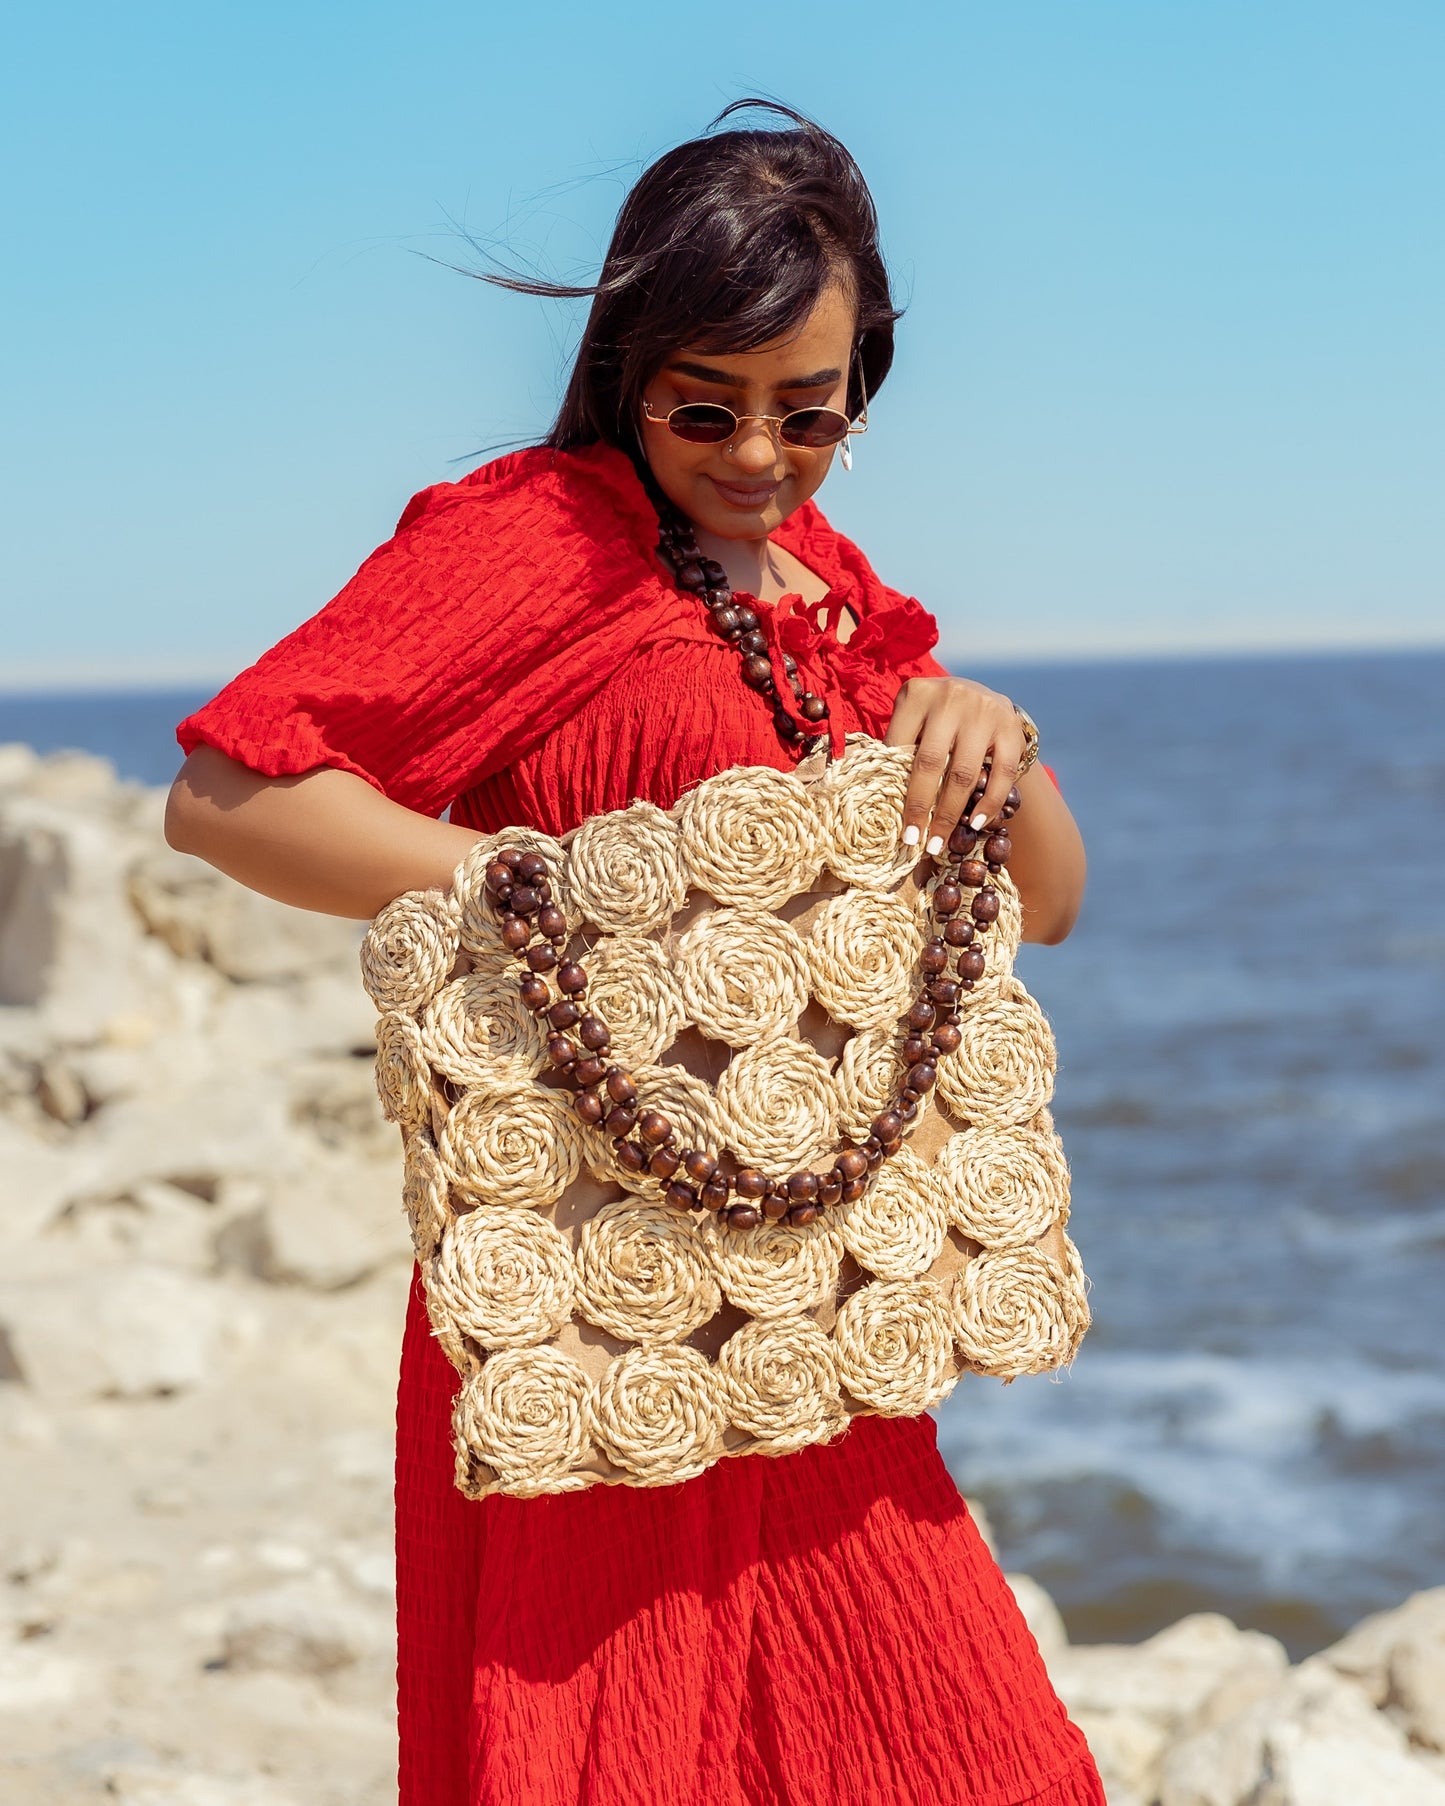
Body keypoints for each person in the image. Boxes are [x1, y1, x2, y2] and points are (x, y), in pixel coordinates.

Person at [166, 101, 1097, 1806]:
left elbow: (1045, 898)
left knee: (979, 1765)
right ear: (623, 366)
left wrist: (980, 728)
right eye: (703, 406)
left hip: (806, 1291)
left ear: (862, 385)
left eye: (807, 414)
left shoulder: (823, 581)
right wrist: (570, 894)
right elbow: (228, 798)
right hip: (597, 1285)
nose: (755, 454)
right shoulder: (531, 538)